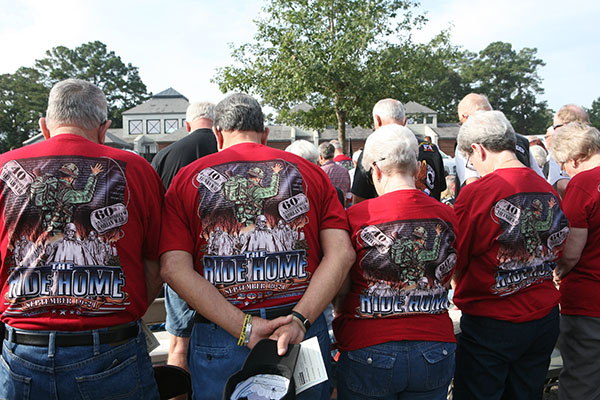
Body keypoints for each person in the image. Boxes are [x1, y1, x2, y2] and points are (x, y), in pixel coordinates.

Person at [159, 93, 355, 399]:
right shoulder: (312, 173)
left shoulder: (187, 179)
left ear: (217, 134)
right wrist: (301, 319)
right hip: (297, 328)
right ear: (265, 134)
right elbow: (342, 253)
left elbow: (172, 268)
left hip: (224, 331)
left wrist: (244, 327)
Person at [0, 78, 163, 399]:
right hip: (111, 346)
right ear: (104, 128)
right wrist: (126, 305)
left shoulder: (6, 167)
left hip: (22, 349)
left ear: (44, 126)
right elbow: (158, 262)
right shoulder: (136, 168)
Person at [334, 124, 458, 399]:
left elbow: (341, 288)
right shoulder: (447, 215)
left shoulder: (355, 216)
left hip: (368, 344)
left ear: (375, 172)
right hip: (434, 346)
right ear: (417, 169)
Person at [452, 110, 568, 400]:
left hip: (493, 320)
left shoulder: (478, 192)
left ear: (478, 149)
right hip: (542, 316)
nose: (472, 166)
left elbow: (456, 256)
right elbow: (557, 245)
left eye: (470, 158)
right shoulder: (545, 187)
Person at [151, 102, 219, 373]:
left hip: (179, 261)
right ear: (218, 126)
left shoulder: (166, 156)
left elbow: (153, 215)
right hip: (226, 268)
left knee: (179, 343)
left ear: (188, 125)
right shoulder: (227, 149)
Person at [549, 122, 600, 400]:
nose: (564, 172)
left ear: (574, 159)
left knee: (582, 383)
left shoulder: (583, 184)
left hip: (588, 301)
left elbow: (570, 252)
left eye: (562, 165)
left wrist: (556, 272)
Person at [352, 98, 446, 203]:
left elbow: (359, 202)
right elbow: (440, 191)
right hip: (432, 215)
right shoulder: (432, 149)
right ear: (405, 121)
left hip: (387, 216)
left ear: (377, 120)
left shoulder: (372, 151)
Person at [454, 93, 544, 192]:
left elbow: (472, 183)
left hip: (490, 200)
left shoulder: (466, 144)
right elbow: (540, 178)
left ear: (465, 117)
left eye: (460, 122)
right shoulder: (519, 140)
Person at [545, 104, 591, 198]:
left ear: (566, 126)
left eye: (555, 127)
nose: (554, 131)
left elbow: (563, 186)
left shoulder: (560, 150)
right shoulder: (595, 146)